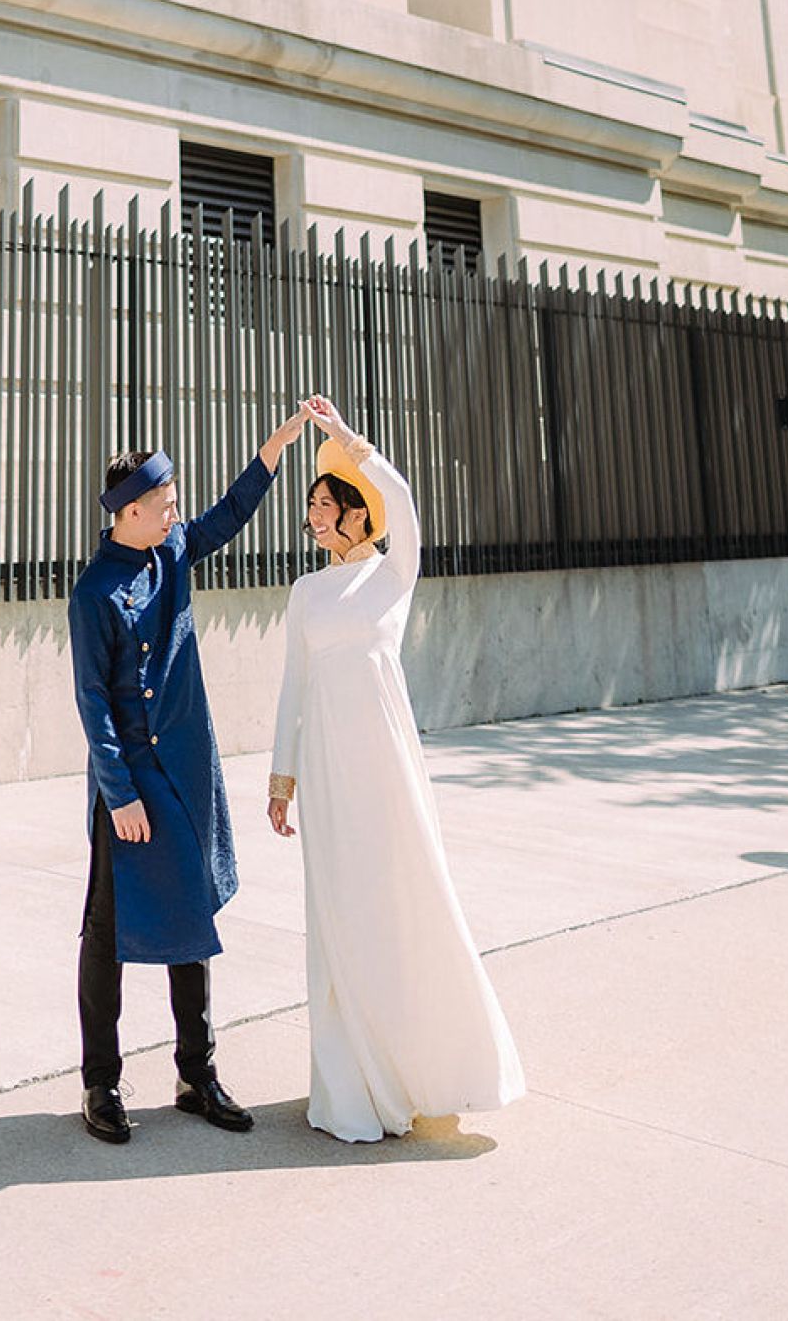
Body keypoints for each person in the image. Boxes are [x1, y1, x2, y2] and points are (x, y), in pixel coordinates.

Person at [268, 396, 526, 1142]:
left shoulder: (391, 576)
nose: (314, 516)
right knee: (338, 912)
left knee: (404, 900)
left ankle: (423, 1068)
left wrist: (349, 441)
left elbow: (406, 503)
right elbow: (295, 685)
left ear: (356, 512)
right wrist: (281, 777)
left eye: (325, 503)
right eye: (310, 505)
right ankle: (352, 1087)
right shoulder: (306, 592)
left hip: (384, 761)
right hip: (325, 768)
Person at [68, 408, 308, 1146]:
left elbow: (226, 516)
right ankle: (100, 1083)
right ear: (129, 511)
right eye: (165, 503)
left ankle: (195, 1071)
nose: (177, 512)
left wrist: (272, 449)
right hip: (134, 782)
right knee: (106, 932)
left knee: (191, 922)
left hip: (186, 767)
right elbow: (94, 703)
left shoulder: (168, 546)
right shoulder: (93, 594)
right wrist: (121, 793)